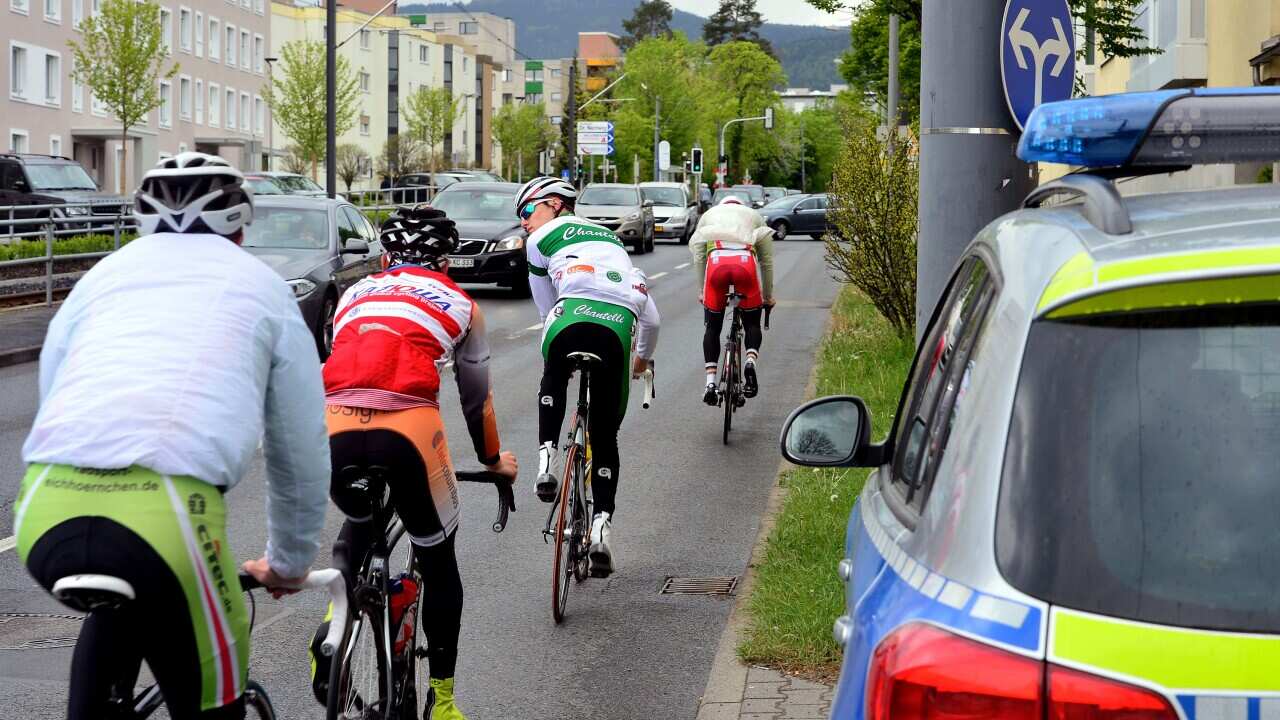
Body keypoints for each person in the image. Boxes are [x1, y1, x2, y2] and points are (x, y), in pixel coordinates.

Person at [14, 152, 331, 720]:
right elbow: (298, 444)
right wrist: (287, 562)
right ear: (240, 223)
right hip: (167, 519)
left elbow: (55, 391)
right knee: (212, 700)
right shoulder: (263, 287)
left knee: (116, 612)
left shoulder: (100, 278)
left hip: (43, 508)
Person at [315, 206, 517, 720]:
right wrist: (494, 462)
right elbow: (477, 401)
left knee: (361, 523)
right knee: (439, 556)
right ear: (444, 261)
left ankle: (332, 629)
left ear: (386, 257)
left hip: (334, 428)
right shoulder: (460, 303)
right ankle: (444, 701)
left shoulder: (353, 296)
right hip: (406, 433)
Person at [517, 176, 660, 577]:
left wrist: (556, 339)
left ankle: (545, 463)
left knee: (554, 374)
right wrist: (643, 361)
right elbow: (652, 322)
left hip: (570, 316)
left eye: (528, 211)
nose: (525, 222)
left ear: (555, 205)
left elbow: (545, 307)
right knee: (605, 435)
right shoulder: (615, 247)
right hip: (617, 328)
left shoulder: (541, 239)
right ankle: (601, 527)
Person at [690, 195, 776, 406]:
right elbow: (766, 262)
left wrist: (702, 290)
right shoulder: (754, 216)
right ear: (741, 206)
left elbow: (699, 256)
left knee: (712, 328)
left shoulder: (709, 215)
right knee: (752, 323)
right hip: (745, 263)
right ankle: (749, 361)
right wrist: (767, 296)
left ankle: (710, 383)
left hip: (717, 263)